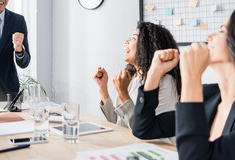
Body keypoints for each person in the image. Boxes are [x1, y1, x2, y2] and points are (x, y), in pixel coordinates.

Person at [92, 22, 180, 144]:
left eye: (133, 38)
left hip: (156, 149)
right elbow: (119, 124)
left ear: (147, 46)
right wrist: (103, 88)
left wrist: (123, 94)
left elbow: (145, 131)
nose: (126, 41)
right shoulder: (132, 78)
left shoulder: (165, 82)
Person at [175, 11, 235, 159]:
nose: (208, 37)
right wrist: (155, 73)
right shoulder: (208, 95)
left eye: (221, 31)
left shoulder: (197, 90)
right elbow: (146, 128)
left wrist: (191, 76)